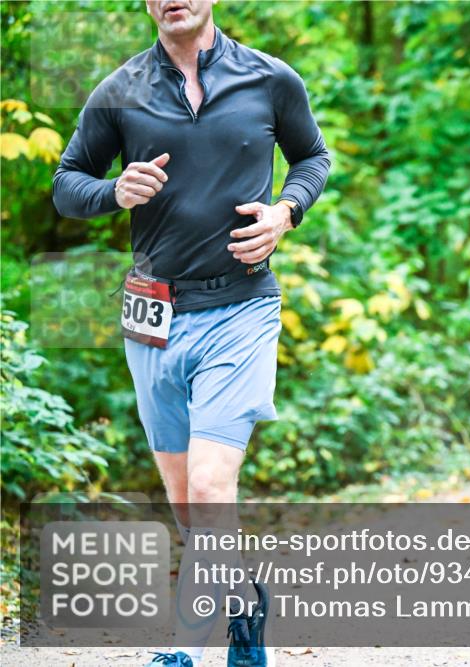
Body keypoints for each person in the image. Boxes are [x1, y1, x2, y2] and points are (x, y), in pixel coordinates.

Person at [51, 1, 331, 665]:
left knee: (210, 488)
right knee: (188, 504)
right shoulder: (119, 91)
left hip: (242, 309)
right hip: (153, 321)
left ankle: (184, 650)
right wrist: (112, 191)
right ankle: (243, 603)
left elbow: (313, 157)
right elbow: (66, 185)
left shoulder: (270, 79)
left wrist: (287, 212)